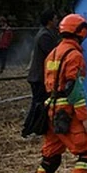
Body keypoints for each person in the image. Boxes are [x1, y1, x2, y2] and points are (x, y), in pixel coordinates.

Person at [31, 13, 87, 173]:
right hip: (66, 112)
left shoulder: (53, 53)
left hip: (51, 110)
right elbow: (73, 88)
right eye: (84, 28)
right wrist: (84, 117)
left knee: (50, 158)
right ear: (78, 31)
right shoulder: (74, 55)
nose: (86, 32)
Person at [22, 9, 60, 137]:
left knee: (39, 103)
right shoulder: (45, 36)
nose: (57, 21)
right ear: (49, 21)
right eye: (55, 18)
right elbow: (54, 53)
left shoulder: (48, 33)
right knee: (38, 104)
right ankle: (29, 129)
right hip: (39, 76)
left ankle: (34, 128)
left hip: (39, 76)